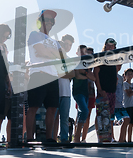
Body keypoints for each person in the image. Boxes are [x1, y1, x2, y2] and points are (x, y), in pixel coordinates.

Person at [25, 10, 65, 142]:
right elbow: (42, 52)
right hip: (38, 74)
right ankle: (29, 138)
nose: (49, 22)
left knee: (52, 108)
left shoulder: (54, 41)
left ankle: (49, 138)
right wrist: (53, 53)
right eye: (46, 19)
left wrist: (51, 53)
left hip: (53, 76)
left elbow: (62, 57)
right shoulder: (34, 35)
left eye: (51, 20)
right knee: (33, 107)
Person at [93, 38, 119, 142]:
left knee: (110, 115)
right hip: (103, 91)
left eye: (112, 45)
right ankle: (100, 136)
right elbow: (96, 73)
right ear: (105, 45)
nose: (110, 47)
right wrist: (99, 89)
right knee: (100, 114)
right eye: (108, 45)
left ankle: (109, 136)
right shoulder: (100, 57)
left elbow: (116, 73)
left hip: (112, 91)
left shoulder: (114, 59)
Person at [72, 45, 95, 143]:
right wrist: (86, 75)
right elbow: (77, 75)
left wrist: (85, 73)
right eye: (81, 51)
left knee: (84, 113)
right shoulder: (76, 63)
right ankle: (76, 137)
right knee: (83, 111)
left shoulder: (86, 65)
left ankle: (81, 138)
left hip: (86, 92)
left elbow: (93, 77)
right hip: (78, 91)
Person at [55, 34, 74, 143]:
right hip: (55, 91)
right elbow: (55, 73)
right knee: (53, 118)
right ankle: (52, 139)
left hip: (66, 92)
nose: (67, 46)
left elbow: (73, 74)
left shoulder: (70, 59)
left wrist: (62, 73)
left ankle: (64, 139)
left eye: (70, 45)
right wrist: (65, 73)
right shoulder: (55, 58)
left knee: (64, 118)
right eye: (66, 44)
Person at [80, 46, 95, 142]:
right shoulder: (81, 64)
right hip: (81, 91)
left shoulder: (93, 65)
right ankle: (78, 136)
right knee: (81, 114)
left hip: (91, 91)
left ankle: (84, 138)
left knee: (88, 115)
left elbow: (94, 77)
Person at [113, 68, 129, 142]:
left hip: (120, 103)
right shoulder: (110, 75)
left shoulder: (120, 78)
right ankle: (112, 138)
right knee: (111, 120)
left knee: (127, 119)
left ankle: (121, 139)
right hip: (112, 102)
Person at [123, 68, 133, 143]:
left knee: (131, 123)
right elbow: (129, 94)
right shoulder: (125, 84)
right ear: (125, 75)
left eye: (131, 74)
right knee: (126, 122)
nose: (130, 76)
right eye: (128, 74)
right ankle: (123, 138)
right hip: (127, 105)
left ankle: (129, 139)